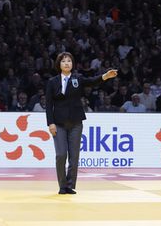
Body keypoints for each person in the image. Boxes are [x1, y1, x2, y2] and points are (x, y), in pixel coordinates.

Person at [46, 52, 117, 194]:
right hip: (58, 123)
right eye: (64, 61)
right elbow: (49, 104)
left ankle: (70, 185)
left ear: (72, 64)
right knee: (61, 155)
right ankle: (62, 185)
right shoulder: (52, 82)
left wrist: (105, 76)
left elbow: (91, 81)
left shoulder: (77, 78)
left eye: (69, 61)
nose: (67, 63)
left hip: (76, 122)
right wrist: (50, 123)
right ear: (59, 64)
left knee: (74, 156)